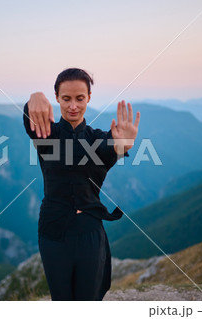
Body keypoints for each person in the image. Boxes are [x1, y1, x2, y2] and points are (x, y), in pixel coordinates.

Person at [22, 68, 140, 301]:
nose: (73, 105)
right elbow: (29, 117)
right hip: (53, 232)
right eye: (66, 99)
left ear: (89, 98)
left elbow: (113, 148)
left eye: (79, 98)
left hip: (89, 234)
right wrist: (34, 97)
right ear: (56, 98)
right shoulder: (47, 134)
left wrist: (123, 145)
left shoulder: (100, 140)